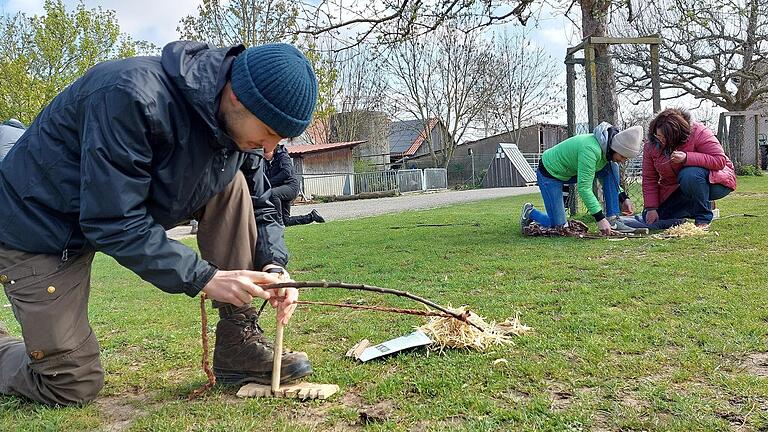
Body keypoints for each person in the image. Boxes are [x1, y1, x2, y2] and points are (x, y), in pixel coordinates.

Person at [0, 41, 318, 406]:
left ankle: (237, 342)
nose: (269, 150)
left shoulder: (239, 134)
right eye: (268, 133)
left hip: (104, 209)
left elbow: (260, 204)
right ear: (236, 96)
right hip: (38, 226)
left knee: (231, 183)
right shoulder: (130, 95)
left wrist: (274, 265)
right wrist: (206, 277)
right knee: (70, 384)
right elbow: (113, 220)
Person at [520, 123, 644, 235]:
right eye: (622, 156)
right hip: (550, 172)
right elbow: (584, 188)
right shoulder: (590, 150)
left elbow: (610, 180)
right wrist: (600, 218)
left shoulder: (607, 152)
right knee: (558, 225)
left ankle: (613, 220)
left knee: (612, 167)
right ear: (615, 148)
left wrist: (623, 198)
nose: (622, 161)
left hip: (569, 171)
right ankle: (530, 212)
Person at [641, 108, 736, 230]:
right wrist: (651, 208)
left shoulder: (699, 132)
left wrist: (687, 158)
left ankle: (703, 218)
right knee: (656, 217)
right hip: (676, 188)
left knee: (690, 174)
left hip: (715, 182)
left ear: (676, 134)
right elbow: (649, 178)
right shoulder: (651, 146)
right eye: (658, 136)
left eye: (666, 138)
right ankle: (692, 208)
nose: (661, 141)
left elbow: (719, 160)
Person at [264, 144, 325, 226]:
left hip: (291, 187)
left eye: (265, 153)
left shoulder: (283, 156)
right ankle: (311, 217)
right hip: (282, 189)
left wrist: (269, 183)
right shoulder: (270, 161)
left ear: (271, 149)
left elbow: (286, 172)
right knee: (286, 221)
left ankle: (278, 223)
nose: (264, 156)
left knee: (273, 193)